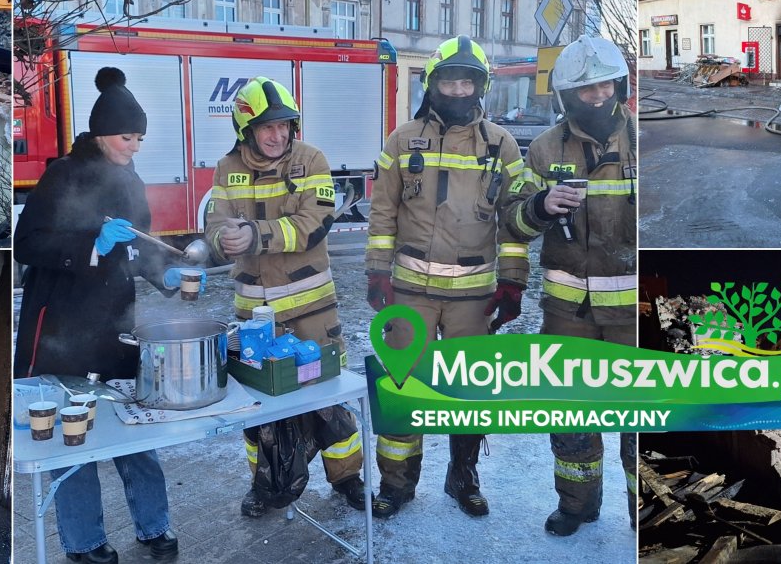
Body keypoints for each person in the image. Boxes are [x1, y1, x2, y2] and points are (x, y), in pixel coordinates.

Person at [14, 67, 193, 563]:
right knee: (73, 437)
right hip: (61, 328)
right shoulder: (62, 174)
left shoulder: (131, 180)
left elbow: (142, 245)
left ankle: (154, 526)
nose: (134, 147)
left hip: (115, 325)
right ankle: (85, 543)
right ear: (100, 134)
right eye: (126, 137)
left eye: (139, 139)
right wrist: (91, 244)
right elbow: (26, 244)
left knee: (134, 427)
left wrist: (165, 274)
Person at [365, 35, 530, 519]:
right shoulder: (402, 140)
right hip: (410, 293)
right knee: (404, 388)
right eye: (449, 81)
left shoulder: (502, 145)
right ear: (432, 84)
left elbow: (513, 221)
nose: (457, 90)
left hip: (473, 298)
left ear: (480, 86)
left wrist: (513, 281)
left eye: (466, 82)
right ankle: (396, 484)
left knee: (469, 394)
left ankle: (463, 477)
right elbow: (382, 213)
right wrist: (377, 273)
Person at [203, 76, 367, 517]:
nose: (277, 135)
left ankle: (347, 478)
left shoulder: (311, 159)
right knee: (258, 405)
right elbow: (215, 223)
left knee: (329, 395)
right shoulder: (226, 168)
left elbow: (316, 223)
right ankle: (265, 485)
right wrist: (222, 241)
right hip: (255, 318)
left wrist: (255, 235)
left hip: (312, 310)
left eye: (284, 125)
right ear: (246, 130)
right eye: (266, 127)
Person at [499, 36, 638, 537]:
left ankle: (645, 515)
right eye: (586, 89)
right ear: (566, 96)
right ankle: (577, 505)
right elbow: (511, 223)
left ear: (620, 86)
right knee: (571, 416)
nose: (598, 97)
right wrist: (538, 207)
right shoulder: (543, 149)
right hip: (567, 315)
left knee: (642, 422)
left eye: (605, 86)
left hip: (635, 318)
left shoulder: (643, 141)